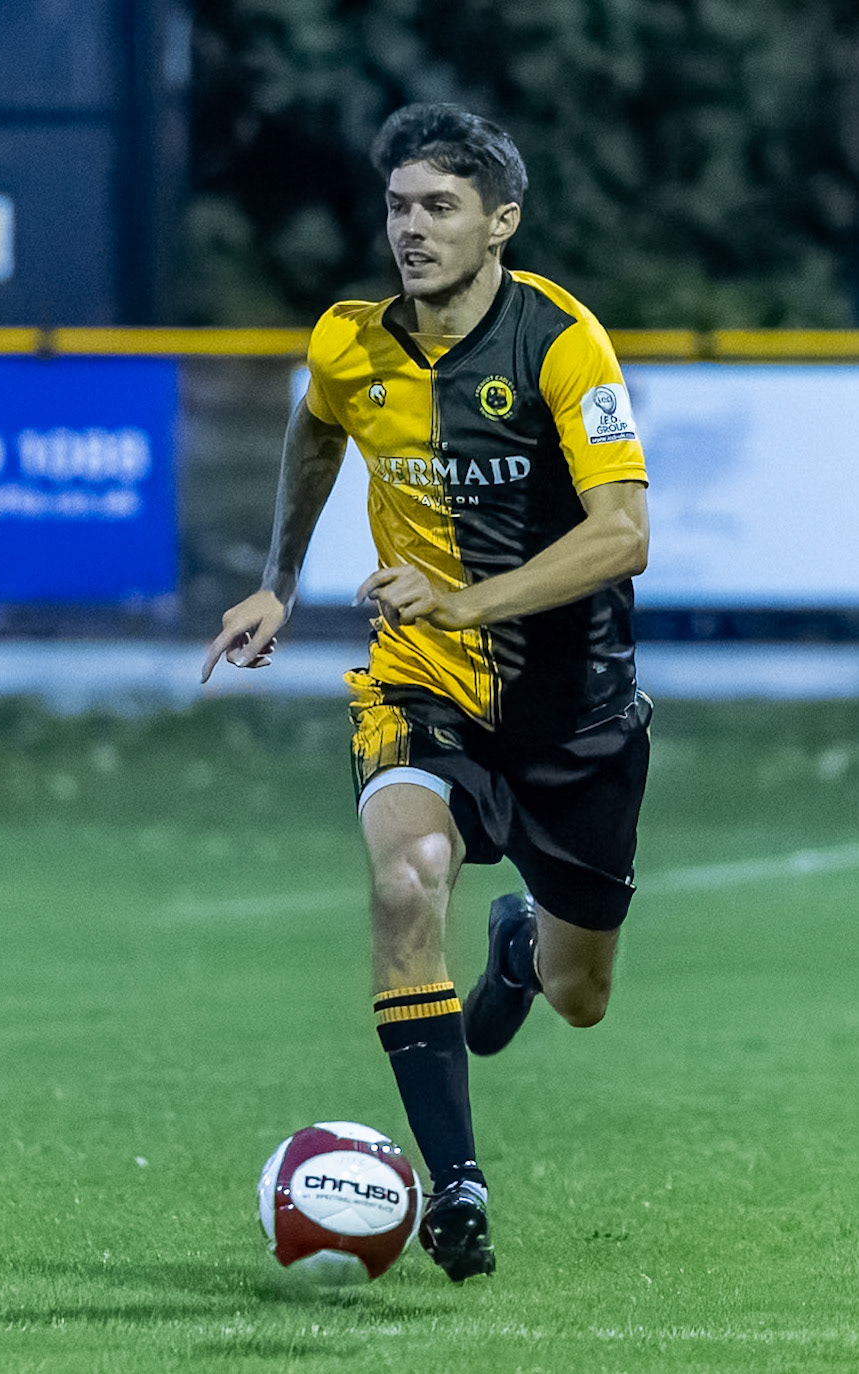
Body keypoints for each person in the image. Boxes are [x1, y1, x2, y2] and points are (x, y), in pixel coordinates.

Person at [202, 103, 652, 1284]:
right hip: (419, 685)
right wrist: (278, 584)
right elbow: (313, 438)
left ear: (501, 222)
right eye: (399, 206)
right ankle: (455, 1185)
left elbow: (625, 537)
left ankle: (516, 957)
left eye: (440, 208)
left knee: (580, 994)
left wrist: (471, 598)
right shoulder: (349, 342)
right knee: (408, 878)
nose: (411, 229)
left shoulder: (562, 341)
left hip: (575, 711)